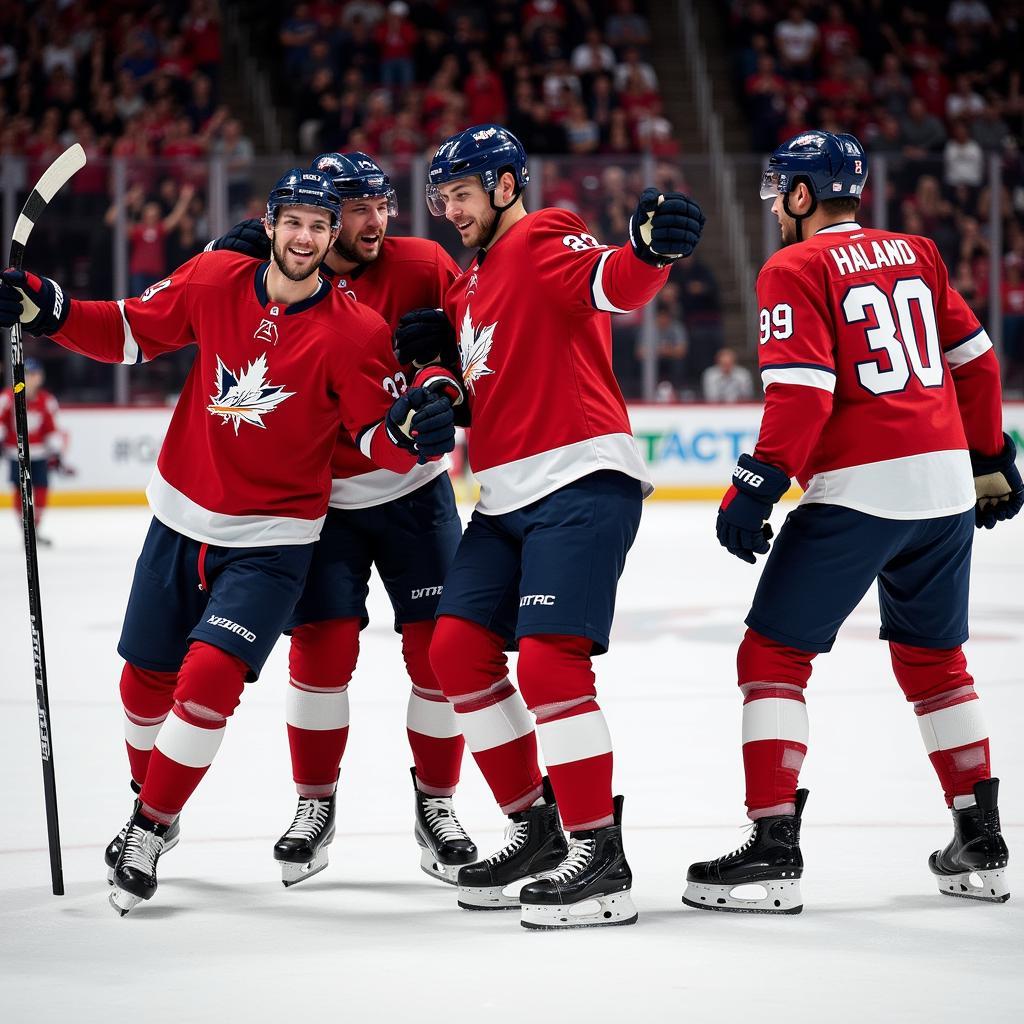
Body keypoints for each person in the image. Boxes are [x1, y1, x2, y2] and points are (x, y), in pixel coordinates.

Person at [0, 169, 458, 916]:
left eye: (320, 225)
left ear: (331, 233)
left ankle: (146, 829)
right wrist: (50, 308)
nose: (307, 238)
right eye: (295, 223)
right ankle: (159, 802)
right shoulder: (215, 278)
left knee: (209, 678)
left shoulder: (357, 332)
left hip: (277, 540)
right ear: (271, 224)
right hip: (179, 518)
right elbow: (128, 330)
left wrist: (413, 434)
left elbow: (376, 433)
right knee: (142, 685)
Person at [684, 130, 1021, 915]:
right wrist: (989, 458)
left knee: (772, 653)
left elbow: (801, 396)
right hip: (942, 489)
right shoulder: (921, 251)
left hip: (860, 487)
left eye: (779, 195)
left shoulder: (794, 267)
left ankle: (772, 849)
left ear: (802, 196)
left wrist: (754, 488)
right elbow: (977, 363)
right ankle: (982, 840)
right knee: (937, 661)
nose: (774, 208)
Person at [396, 124, 704, 929]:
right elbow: (481, 393)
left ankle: (599, 853)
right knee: (454, 649)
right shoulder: (466, 286)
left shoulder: (544, 233)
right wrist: (434, 380)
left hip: (580, 482)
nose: (450, 210)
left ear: (504, 185)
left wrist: (649, 250)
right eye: (442, 197)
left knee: (548, 664)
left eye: (461, 194)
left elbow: (614, 281)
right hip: (501, 501)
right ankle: (535, 828)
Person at [209, 152, 475, 887]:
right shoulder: (280, 273)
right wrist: (213, 257)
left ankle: (437, 803)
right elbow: (200, 310)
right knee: (321, 656)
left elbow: (480, 346)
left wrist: (447, 372)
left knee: (438, 656)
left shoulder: (422, 264)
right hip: (319, 502)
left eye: (382, 206)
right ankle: (313, 805)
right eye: (357, 209)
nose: (374, 222)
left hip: (414, 492)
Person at [0, 358, 70, 546]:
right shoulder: (8, 397)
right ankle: (25, 529)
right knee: (20, 490)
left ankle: (34, 529)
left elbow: (52, 427)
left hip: (39, 453)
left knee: (41, 490)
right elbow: (1, 421)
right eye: (28, 374)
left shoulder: (47, 400)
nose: (31, 379)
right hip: (17, 453)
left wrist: (56, 452)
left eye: (35, 374)